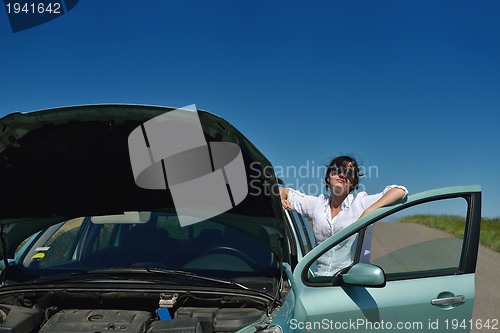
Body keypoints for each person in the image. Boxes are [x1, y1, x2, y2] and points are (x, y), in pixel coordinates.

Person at [279, 155, 407, 276]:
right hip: (317, 282)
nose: (341, 175)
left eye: (349, 172)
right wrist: (280, 199)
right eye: (336, 171)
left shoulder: (361, 203)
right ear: (328, 178)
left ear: (354, 182)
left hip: (351, 283)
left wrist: (369, 212)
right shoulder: (317, 204)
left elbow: (400, 191)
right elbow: (283, 191)